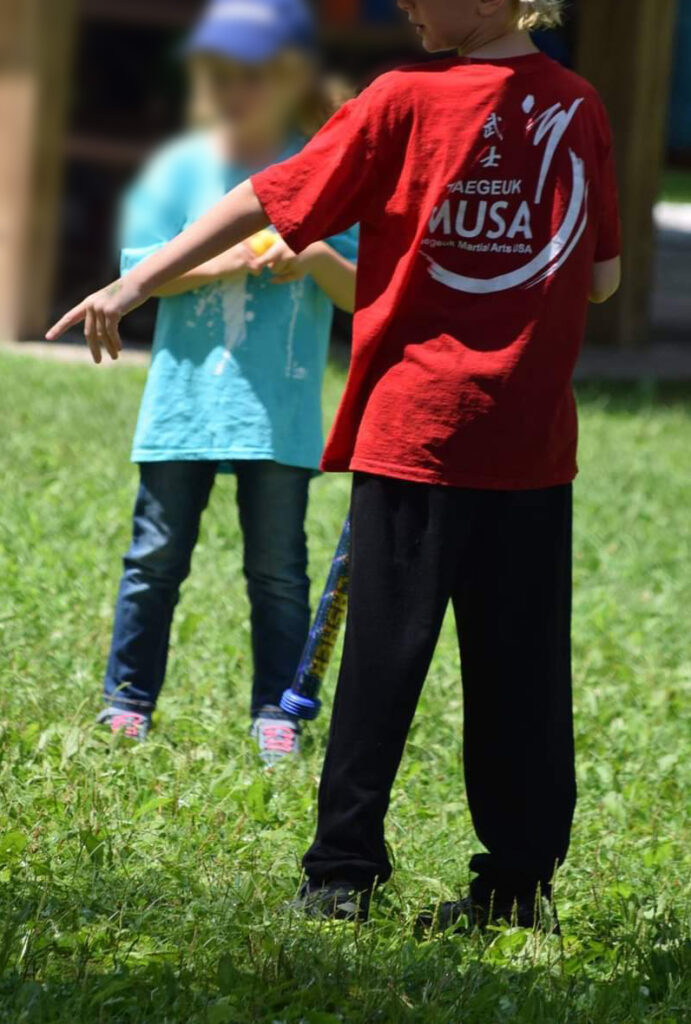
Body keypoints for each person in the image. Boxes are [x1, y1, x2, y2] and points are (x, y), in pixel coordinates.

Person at [48, 0, 622, 928]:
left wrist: (135, 281)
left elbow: (270, 197)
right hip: (526, 444)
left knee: (379, 670)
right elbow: (600, 278)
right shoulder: (579, 107)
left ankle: (341, 879)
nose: (401, 3)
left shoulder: (399, 99)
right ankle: (516, 891)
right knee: (521, 677)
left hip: (415, 433)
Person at [81, 0, 359, 761]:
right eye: (217, 73)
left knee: (277, 571)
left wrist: (314, 260)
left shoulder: (323, 170)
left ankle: (278, 708)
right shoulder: (181, 169)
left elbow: (364, 296)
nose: (232, 88)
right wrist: (237, 257)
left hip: (280, 414)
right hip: (183, 406)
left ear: (293, 75)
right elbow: (139, 277)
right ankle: (128, 700)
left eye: (253, 74)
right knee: (155, 561)